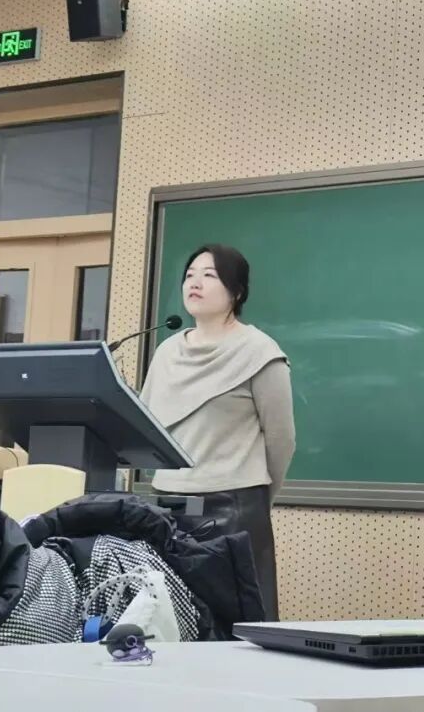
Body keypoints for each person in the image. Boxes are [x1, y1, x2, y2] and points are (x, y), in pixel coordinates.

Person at [140, 244, 295, 620]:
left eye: (209, 275)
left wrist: (256, 500)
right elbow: (143, 425)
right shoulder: (167, 351)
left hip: (233, 510)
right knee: (169, 625)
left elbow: (282, 439)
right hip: (166, 507)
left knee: (238, 628)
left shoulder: (259, 351)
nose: (195, 282)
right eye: (190, 275)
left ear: (236, 292)